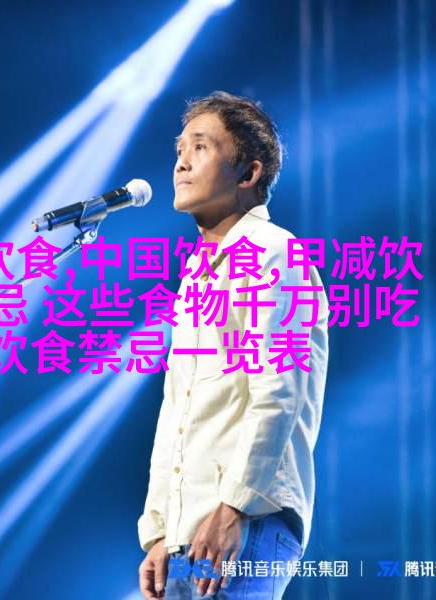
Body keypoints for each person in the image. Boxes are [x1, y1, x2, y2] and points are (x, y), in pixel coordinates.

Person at [137, 92, 329, 599]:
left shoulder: (276, 254)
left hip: (245, 524)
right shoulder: (196, 276)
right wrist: (159, 530)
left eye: (200, 147)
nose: (181, 162)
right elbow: (176, 410)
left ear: (248, 173)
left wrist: (233, 508)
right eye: (180, 149)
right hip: (187, 536)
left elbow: (278, 393)